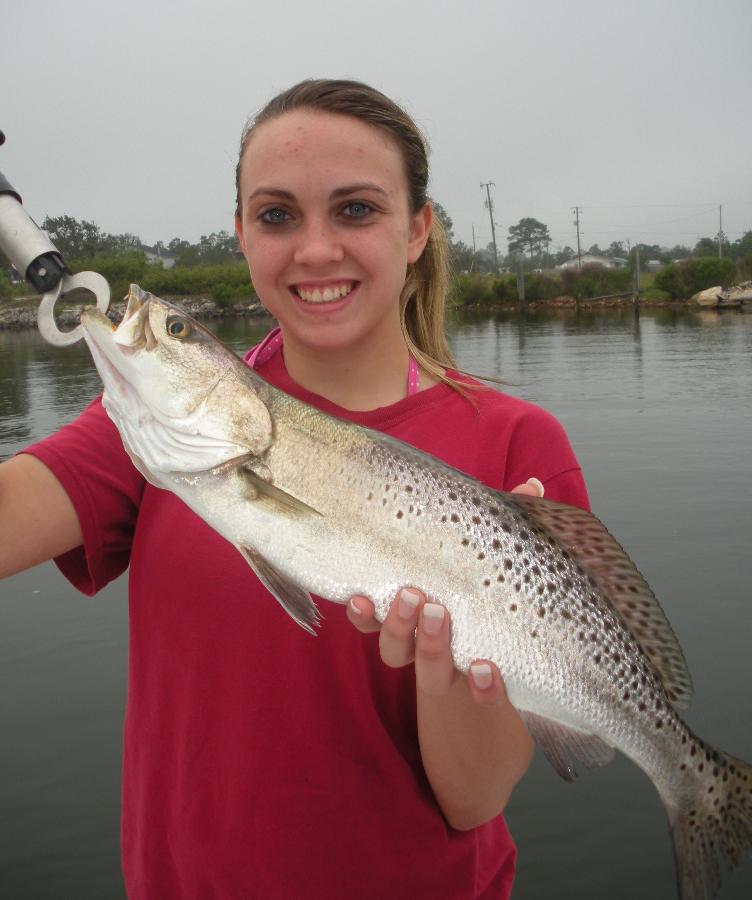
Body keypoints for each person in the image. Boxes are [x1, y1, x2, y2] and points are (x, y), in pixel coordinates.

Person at [0, 79, 589, 898]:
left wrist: (445, 676)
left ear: (418, 230)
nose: (316, 250)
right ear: (239, 233)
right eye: (276, 215)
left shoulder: (516, 445)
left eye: (356, 210)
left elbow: (476, 798)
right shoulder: (151, 431)